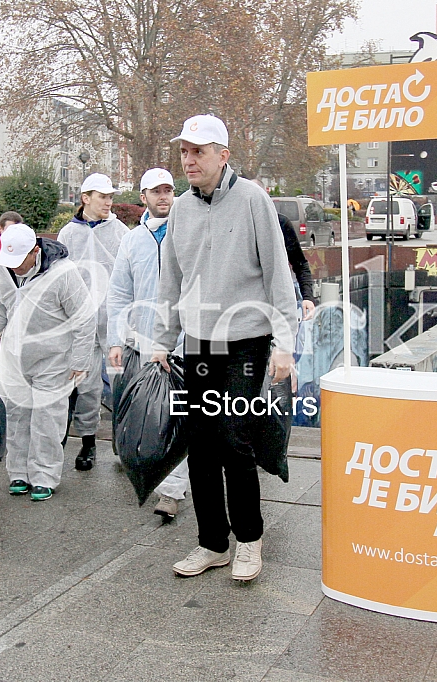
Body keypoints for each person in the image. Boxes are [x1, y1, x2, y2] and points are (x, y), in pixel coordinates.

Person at [151, 114, 297, 582]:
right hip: (198, 343)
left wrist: (284, 343)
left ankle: (249, 540)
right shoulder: (182, 210)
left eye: (199, 151)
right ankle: (212, 542)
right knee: (201, 446)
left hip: (247, 340)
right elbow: (170, 280)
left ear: (223, 155)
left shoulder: (254, 200)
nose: (189, 160)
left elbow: (278, 275)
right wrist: (160, 339)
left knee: (235, 440)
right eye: (184, 152)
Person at [0, 225, 95, 501]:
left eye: (19, 262)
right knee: (15, 418)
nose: (13, 268)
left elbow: (84, 318)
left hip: (53, 359)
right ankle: (18, 473)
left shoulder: (63, 273)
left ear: (35, 252)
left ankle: (44, 476)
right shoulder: (0, 270)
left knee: (47, 419)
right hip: (14, 359)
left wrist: (80, 360)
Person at [107, 168, 188, 518]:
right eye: (156, 192)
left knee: (179, 414)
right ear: (143, 197)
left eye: (169, 190)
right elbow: (119, 293)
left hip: (184, 344)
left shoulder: (187, 231)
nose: (164, 197)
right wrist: (116, 340)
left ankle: (172, 491)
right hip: (142, 344)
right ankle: (155, 471)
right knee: (150, 414)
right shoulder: (132, 240)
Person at [57, 173, 129, 471]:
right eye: (103, 197)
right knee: (85, 384)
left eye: (111, 196)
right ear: (85, 198)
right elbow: (57, 278)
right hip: (82, 322)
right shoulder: (68, 234)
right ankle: (87, 442)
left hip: (114, 322)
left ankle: (124, 442)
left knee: (122, 381)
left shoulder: (121, 231)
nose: (109, 202)